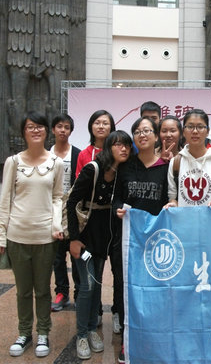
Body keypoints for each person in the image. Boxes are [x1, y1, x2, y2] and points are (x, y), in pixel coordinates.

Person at [0, 111, 64, 358]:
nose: (36, 130)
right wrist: (0, 235)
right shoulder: (13, 162)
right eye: (30, 127)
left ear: (47, 131)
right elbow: (5, 199)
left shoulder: (56, 163)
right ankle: (24, 333)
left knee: (43, 289)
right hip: (17, 235)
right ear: (23, 132)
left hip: (45, 236)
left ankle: (43, 332)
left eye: (40, 126)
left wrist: (56, 225)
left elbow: (58, 197)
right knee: (23, 290)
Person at [68, 131, 132, 360]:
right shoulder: (93, 170)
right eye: (118, 145)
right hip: (84, 238)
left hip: (103, 240)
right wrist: (73, 239)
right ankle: (81, 335)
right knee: (86, 286)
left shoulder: (121, 173)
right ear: (108, 147)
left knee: (95, 284)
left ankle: (91, 329)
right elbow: (71, 202)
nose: (123, 149)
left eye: (127, 145)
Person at [114, 116, 170, 364]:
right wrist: (117, 208)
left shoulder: (166, 167)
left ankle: (154, 337)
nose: (142, 135)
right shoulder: (126, 167)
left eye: (147, 130)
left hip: (157, 242)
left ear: (156, 136)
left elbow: (171, 199)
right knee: (126, 288)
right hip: (129, 240)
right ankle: (128, 340)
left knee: (155, 289)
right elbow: (117, 197)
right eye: (137, 131)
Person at [50, 113, 81, 312]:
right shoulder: (46, 155)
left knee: (76, 254)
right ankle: (61, 292)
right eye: (59, 126)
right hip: (52, 210)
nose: (63, 130)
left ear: (71, 131)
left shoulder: (78, 154)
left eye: (67, 127)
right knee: (57, 256)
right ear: (53, 129)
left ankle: (79, 293)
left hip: (72, 211)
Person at [165, 109, 211, 208]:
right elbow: (173, 196)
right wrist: (173, 204)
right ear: (183, 132)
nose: (195, 131)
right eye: (190, 127)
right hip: (183, 217)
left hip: (209, 217)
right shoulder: (176, 162)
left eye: (200, 127)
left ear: (207, 131)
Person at [75, 110, 115, 177]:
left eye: (105, 124)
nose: (101, 126)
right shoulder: (83, 154)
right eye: (97, 123)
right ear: (91, 127)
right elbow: (78, 180)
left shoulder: (116, 152)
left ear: (111, 127)